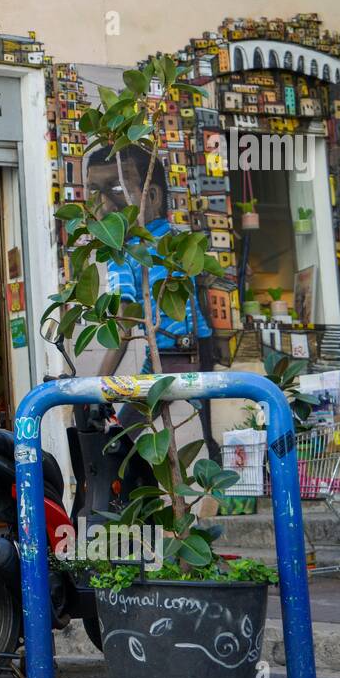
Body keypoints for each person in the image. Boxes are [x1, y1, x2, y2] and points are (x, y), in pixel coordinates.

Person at [85, 144, 219, 456]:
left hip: (168, 356)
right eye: (94, 191)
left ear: (153, 197)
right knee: (210, 438)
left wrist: (95, 388)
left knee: (118, 439)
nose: (104, 205)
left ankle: (126, 499)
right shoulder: (177, 239)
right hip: (201, 347)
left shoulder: (123, 252)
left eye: (117, 189)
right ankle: (217, 498)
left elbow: (123, 326)